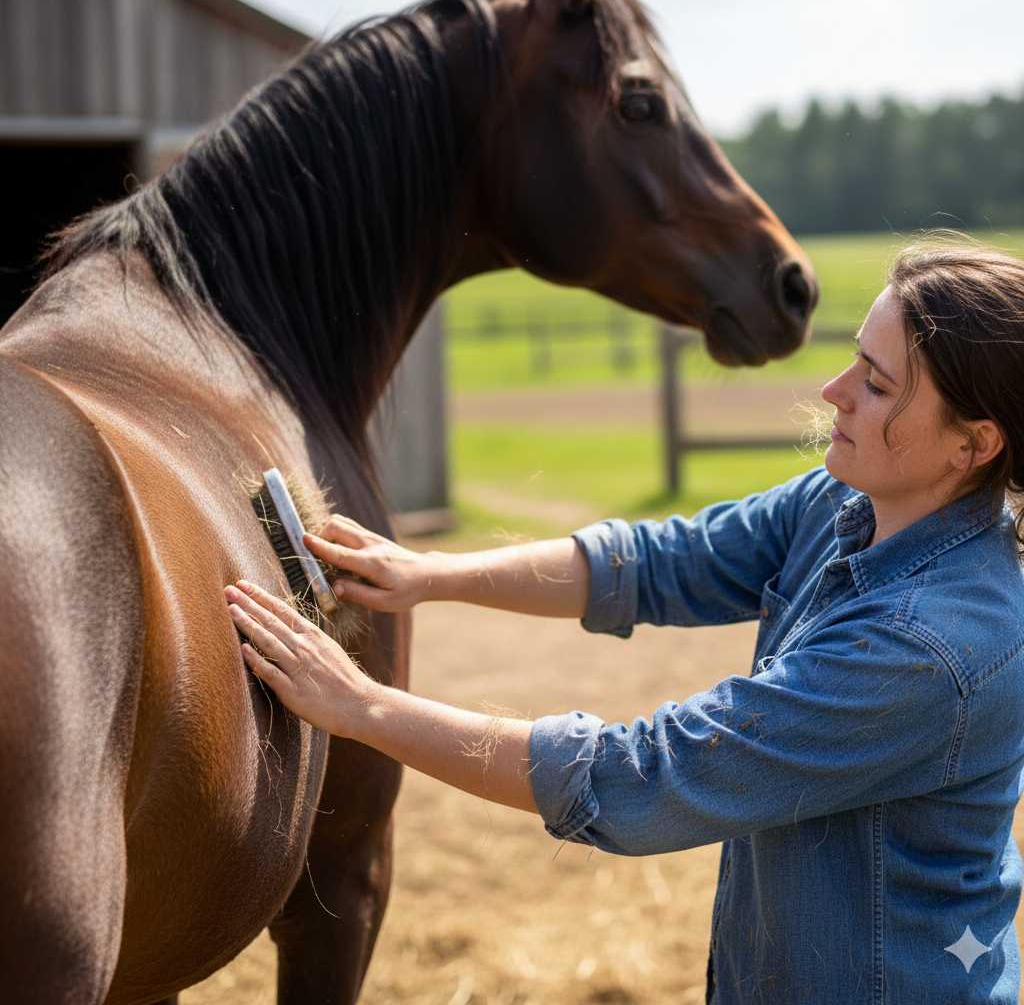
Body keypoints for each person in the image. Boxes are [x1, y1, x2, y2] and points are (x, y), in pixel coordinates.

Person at [224, 239, 1024, 1004]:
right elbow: (654, 562)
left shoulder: (928, 651)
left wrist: (362, 707)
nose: (834, 390)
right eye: (855, 355)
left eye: (878, 384)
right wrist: (429, 574)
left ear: (974, 444)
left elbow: (640, 775)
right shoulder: (849, 503)